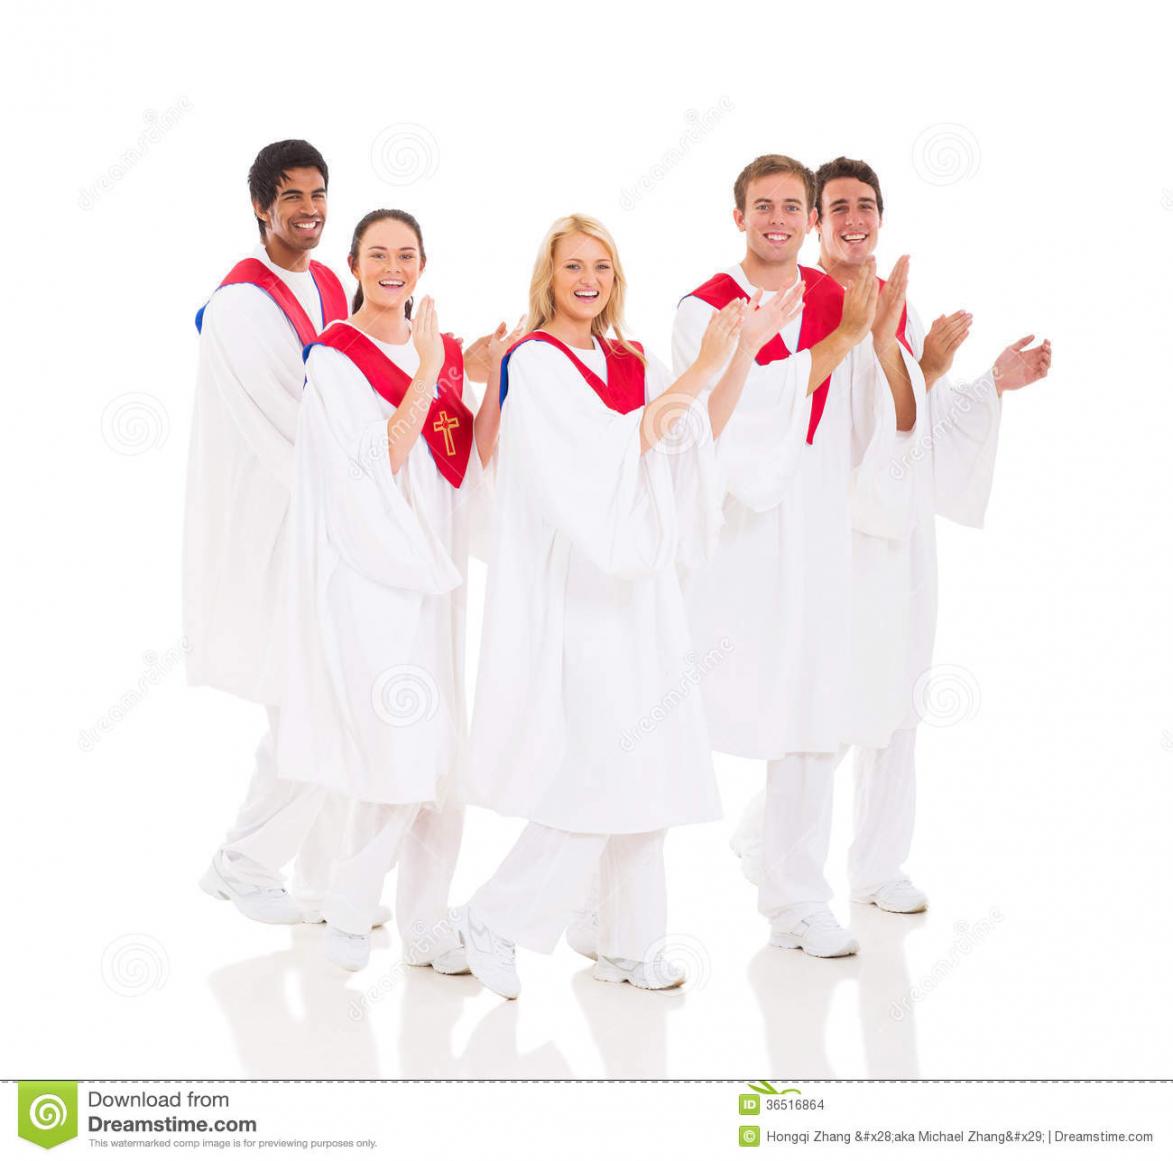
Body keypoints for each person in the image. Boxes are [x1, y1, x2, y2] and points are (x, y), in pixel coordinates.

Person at [454, 213, 799, 999]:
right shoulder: (534, 361)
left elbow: (690, 435)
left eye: (601, 266)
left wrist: (741, 353)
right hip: (580, 588)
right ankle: (494, 918)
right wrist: (703, 364)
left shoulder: (629, 359)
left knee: (652, 763)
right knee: (599, 763)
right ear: (547, 278)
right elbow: (598, 459)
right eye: (573, 265)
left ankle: (627, 942)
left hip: (641, 592)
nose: (588, 279)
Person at [730, 156, 1051, 926]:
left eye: (865, 206)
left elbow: (913, 418)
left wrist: (981, 381)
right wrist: (867, 341)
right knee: (821, 698)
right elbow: (779, 411)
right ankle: (772, 850)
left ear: (880, 218)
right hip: (825, 527)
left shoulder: (899, 305)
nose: (853, 219)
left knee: (896, 692)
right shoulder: (799, 302)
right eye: (837, 205)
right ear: (814, 221)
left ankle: (877, 864)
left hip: (896, 533)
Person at [671, 153, 916, 958]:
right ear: (736, 215)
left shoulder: (838, 299)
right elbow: (727, 417)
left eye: (790, 206)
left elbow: (876, 415)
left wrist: (887, 343)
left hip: (818, 533)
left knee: (813, 708)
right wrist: (845, 338)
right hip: (739, 535)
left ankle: (795, 899)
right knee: (668, 710)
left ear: (808, 220)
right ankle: (598, 897)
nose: (776, 218)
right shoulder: (705, 307)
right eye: (762, 205)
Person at [278, 209, 523, 972]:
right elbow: (375, 465)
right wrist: (428, 368)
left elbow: (467, 455)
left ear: (422, 264)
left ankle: (424, 923)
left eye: (406, 255)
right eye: (378, 254)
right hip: (374, 576)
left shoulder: (434, 346)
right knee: (402, 746)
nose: (393, 267)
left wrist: (489, 372)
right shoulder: (337, 357)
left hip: (436, 571)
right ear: (353, 264)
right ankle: (351, 906)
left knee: (443, 758)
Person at [185, 139, 356, 925]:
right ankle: (243, 861)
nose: (310, 210)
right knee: (310, 700)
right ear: (260, 206)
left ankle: (324, 878)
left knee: (326, 697)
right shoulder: (241, 305)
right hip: (274, 522)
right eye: (292, 196)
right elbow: (291, 420)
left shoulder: (328, 281)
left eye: (318, 194)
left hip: (328, 519)